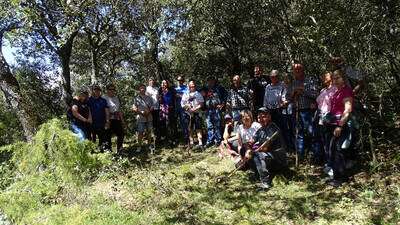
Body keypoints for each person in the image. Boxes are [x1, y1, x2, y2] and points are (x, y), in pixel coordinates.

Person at [246, 107, 287, 190]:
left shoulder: (273, 129)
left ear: (269, 117)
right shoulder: (260, 130)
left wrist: (254, 151)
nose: (261, 119)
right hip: (268, 156)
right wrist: (248, 149)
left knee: (258, 155)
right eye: (259, 117)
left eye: (263, 116)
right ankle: (258, 175)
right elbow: (251, 142)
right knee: (249, 154)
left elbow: (264, 148)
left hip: (278, 159)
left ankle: (266, 183)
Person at [326, 70, 354, 187]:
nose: (335, 80)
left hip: (341, 126)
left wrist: (340, 126)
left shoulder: (346, 91)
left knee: (339, 151)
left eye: (338, 78)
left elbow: (347, 111)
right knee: (333, 149)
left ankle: (341, 179)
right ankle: (336, 176)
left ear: (343, 78)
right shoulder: (337, 92)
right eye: (334, 78)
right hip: (333, 125)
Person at [291, 63, 321, 163]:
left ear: (303, 69)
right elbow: (290, 97)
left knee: (312, 133)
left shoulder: (310, 80)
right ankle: (300, 156)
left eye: (299, 69)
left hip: (308, 110)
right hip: (297, 110)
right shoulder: (294, 82)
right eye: (295, 70)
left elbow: (316, 94)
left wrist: (303, 90)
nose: (297, 71)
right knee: (299, 133)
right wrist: (294, 93)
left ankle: (317, 156)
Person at [316, 72, 337, 176]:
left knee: (331, 143)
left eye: (326, 76)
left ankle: (333, 165)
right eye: (322, 76)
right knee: (325, 142)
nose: (323, 78)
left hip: (331, 119)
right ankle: (328, 163)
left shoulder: (335, 89)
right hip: (321, 119)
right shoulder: (323, 90)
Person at [203, 76, 227, 148]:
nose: (210, 82)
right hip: (208, 110)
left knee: (217, 125)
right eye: (209, 80)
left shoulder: (219, 88)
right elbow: (199, 95)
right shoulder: (205, 89)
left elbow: (225, 96)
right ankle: (210, 141)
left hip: (216, 109)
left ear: (214, 81)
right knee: (209, 126)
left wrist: (222, 104)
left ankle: (218, 140)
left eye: (212, 80)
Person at [181, 80, 205, 150]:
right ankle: (191, 143)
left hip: (197, 113)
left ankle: (200, 143)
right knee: (190, 128)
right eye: (191, 85)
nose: (192, 86)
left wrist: (195, 109)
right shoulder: (185, 94)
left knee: (198, 128)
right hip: (188, 114)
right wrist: (188, 108)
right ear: (188, 86)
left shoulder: (198, 94)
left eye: (193, 85)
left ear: (195, 86)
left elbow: (202, 103)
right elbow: (182, 104)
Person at [132, 84, 155, 153]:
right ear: (139, 90)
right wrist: (140, 112)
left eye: (144, 88)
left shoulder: (149, 98)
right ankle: (139, 146)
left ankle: (150, 145)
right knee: (140, 132)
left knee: (149, 132)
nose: (142, 89)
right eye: (141, 88)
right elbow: (134, 108)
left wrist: (148, 111)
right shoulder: (136, 98)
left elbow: (152, 106)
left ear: (145, 89)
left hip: (149, 117)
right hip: (140, 118)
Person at [103, 84, 125, 154]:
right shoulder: (104, 98)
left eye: (113, 89)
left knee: (121, 134)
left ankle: (119, 150)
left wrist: (122, 120)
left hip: (116, 118)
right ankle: (108, 151)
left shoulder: (116, 98)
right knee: (107, 135)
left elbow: (119, 110)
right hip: (107, 119)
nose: (112, 91)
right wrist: (107, 121)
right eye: (110, 89)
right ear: (107, 90)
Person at [88, 85, 110, 152]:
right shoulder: (89, 100)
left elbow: (107, 111)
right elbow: (88, 110)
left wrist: (107, 121)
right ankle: (92, 152)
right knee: (92, 138)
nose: (96, 91)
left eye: (98, 90)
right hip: (92, 122)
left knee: (102, 138)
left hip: (101, 122)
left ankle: (101, 151)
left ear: (100, 91)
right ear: (93, 91)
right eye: (95, 90)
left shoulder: (103, 100)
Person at [158, 79, 178, 147]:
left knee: (171, 124)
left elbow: (175, 97)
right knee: (164, 125)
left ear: (167, 83)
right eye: (162, 83)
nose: (164, 84)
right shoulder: (160, 90)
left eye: (165, 83)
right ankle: (167, 139)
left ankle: (173, 139)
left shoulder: (171, 90)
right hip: (163, 110)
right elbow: (159, 100)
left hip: (171, 109)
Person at [281, 73, 296, 152]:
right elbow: (280, 98)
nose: (286, 80)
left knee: (292, 129)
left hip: (291, 109)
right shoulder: (283, 88)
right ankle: (288, 146)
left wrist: (288, 101)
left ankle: (294, 147)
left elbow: (293, 97)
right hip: (284, 111)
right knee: (286, 129)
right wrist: (282, 103)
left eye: (288, 78)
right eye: (285, 78)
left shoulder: (292, 87)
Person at [146, 77, 161, 143]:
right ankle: (149, 138)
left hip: (157, 108)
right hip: (149, 109)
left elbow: (158, 98)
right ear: (148, 81)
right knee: (149, 123)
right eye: (150, 80)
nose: (152, 81)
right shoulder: (146, 89)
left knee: (156, 123)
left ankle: (157, 138)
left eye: (153, 80)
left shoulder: (157, 88)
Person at [175, 75, 189, 141]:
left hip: (183, 108)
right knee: (174, 122)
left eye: (181, 80)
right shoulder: (175, 89)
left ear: (183, 81)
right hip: (176, 107)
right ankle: (176, 137)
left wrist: (179, 95)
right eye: (178, 80)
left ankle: (186, 137)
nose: (179, 81)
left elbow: (187, 96)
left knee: (184, 122)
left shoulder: (186, 88)